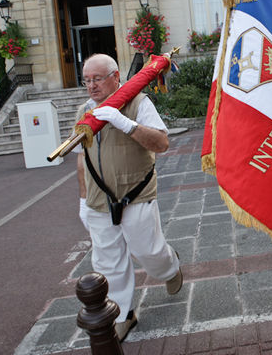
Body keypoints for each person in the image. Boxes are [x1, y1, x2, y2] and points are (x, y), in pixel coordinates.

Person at [75, 53, 182, 342]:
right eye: (87, 80)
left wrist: (125, 123)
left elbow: (161, 142)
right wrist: (83, 200)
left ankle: (170, 266)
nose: (92, 86)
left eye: (97, 78)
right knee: (108, 262)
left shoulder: (138, 103)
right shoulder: (84, 110)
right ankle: (122, 315)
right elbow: (81, 159)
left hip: (136, 193)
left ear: (116, 77)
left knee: (148, 252)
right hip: (100, 201)